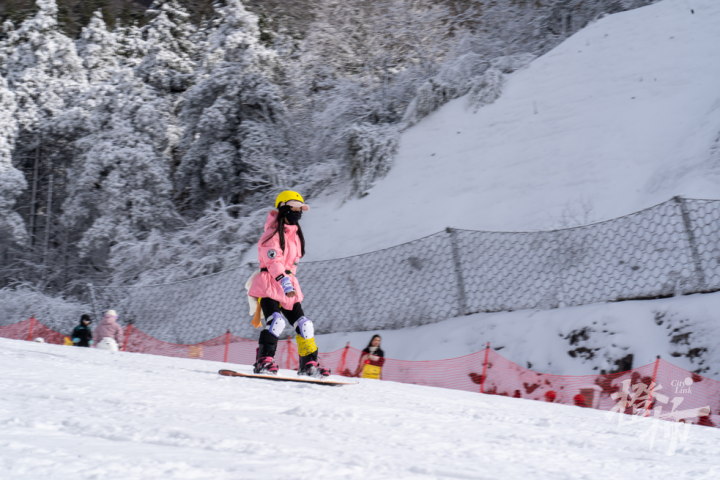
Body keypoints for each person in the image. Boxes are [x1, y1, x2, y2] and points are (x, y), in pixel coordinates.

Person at [247, 191, 330, 378]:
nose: (298, 212)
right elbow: (273, 261)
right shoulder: (272, 234)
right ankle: (264, 360)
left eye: (300, 209)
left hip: (289, 288)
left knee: (305, 325)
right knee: (276, 321)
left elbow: (292, 265)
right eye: (294, 208)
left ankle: (309, 363)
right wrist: (284, 281)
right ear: (283, 208)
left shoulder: (295, 235)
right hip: (270, 285)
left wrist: (289, 283)